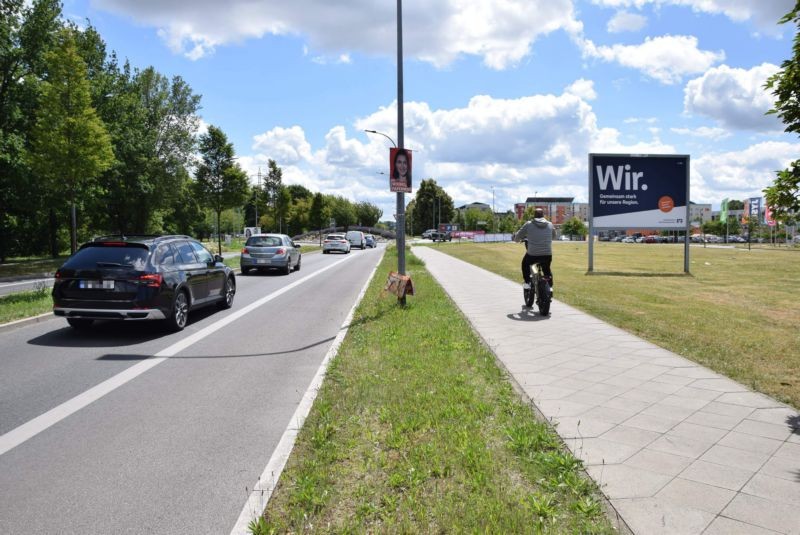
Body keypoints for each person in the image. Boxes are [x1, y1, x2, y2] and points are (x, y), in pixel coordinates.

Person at [513, 207, 556, 292]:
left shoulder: (529, 224)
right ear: (543, 215)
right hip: (547, 254)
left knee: (525, 264)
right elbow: (554, 236)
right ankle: (550, 287)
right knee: (546, 268)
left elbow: (517, 237)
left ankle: (527, 283)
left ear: (534, 216)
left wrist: (516, 239)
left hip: (532, 255)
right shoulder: (550, 224)